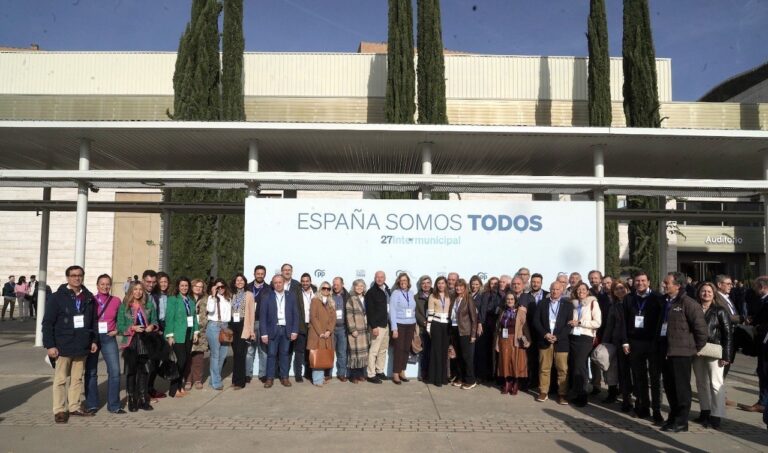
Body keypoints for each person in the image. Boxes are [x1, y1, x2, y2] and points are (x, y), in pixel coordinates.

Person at [43, 265, 98, 423]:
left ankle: (74, 406)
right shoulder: (57, 297)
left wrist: (93, 340)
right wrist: (50, 345)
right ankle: (59, 410)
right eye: (73, 275)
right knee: (60, 380)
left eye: (79, 275)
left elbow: (93, 321)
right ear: (67, 278)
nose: (77, 278)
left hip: (81, 345)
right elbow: (47, 323)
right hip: (62, 345)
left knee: (76, 379)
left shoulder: (88, 297)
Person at [658, 272, 708, 433]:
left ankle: (681, 421)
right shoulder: (666, 302)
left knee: (681, 389)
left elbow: (701, 331)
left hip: (682, 353)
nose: (664, 285)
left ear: (677, 285)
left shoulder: (689, 303)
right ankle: (672, 418)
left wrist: (693, 349)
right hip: (666, 351)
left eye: (667, 282)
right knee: (670, 387)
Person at [622, 271, 664, 423]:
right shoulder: (628, 298)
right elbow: (623, 322)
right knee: (639, 377)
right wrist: (625, 341)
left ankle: (657, 410)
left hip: (653, 343)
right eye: (637, 281)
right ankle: (643, 406)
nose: (640, 283)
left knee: (655, 378)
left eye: (643, 280)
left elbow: (662, 321)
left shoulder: (658, 298)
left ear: (648, 282)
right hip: (634, 342)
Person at [692, 282, 732, 429]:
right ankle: (705, 411)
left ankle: (716, 415)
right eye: (703, 291)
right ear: (699, 293)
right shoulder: (694, 309)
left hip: (714, 351)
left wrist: (726, 356)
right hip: (697, 351)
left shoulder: (719, 310)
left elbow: (728, 334)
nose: (706, 294)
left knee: (716, 384)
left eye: (709, 291)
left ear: (714, 293)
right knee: (700, 383)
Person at [84, 274, 124, 414]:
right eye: (102, 284)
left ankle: (114, 405)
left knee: (114, 372)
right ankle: (92, 404)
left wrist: (118, 330)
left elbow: (123, 318)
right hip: (93, 338)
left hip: (108, 337)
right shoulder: (91, 300)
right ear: (97, 285)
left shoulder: (116, 301)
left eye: (108, 284)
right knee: (91, 371)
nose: (105, 286)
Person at [117, 281, 158, 412]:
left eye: (140, 289)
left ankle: (142, 399)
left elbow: (155, 321)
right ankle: (131, 399)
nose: (138, 292)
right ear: (131, 291)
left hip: (145, 341)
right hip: (131, 341)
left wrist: (152, 326)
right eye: (135, 289)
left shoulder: (149, 305)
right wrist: (132, 327)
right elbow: (120, 326)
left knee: (144, 371)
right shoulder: (125, 306)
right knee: (131, 372)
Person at [533, 282, 571, 404]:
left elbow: (569, 325)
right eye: (552, 289)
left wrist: (558, 337)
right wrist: (545, 334)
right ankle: (543, 392)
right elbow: (536, 321)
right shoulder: (542, 303)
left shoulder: (568, 305)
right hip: (545, 340)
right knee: (544, 368)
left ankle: (562, 394)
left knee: (562, 369)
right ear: (550, 290)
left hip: (561, 342)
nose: (554, 291)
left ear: (562, 290)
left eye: (557, 289)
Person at [260, 274, 299, 388]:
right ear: (273, 284)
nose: (278, 284)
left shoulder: (291, 296)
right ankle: (270, 378)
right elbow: (263, 317)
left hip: (286, 329)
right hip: (273, 329)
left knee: (284, 355)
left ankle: (284, 377)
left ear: (284, 283)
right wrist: (264, 334)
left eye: (280, 282)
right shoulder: (267, 296)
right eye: (275, 282)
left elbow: (295, 315)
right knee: (271, 354)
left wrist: (294, 331)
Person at [164, 276, 200, 397]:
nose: (184, 288)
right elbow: (169, 318)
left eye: (186, 285)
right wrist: (170, 335)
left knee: (185, 362)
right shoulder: (173, 299)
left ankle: (180, 386)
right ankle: (174, 389)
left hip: (188, 334)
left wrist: (196, 331)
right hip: (177, 335)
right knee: (180, 361)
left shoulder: (190, 300)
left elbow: (194, 317)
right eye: (182, 285)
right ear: (178, 287)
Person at [567, 282, 601, 407]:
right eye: (578, 290)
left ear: (587, 291)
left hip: (585, 337)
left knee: (580, 366)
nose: (580, 291)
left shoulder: (593, 303)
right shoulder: (575, 304)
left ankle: (583, 395)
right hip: (573, 337)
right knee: (575, 366)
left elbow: (597, 322)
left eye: (583, 289)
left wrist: (580, 322)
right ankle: (576, 392)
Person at [739, 275, 768, 413]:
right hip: (762, 343)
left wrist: (756, 327)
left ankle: (763, 403)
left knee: (764, 372)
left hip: (766, 343)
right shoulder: (762, 300)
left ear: (762, 287)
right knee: (762, 371)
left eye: (756, 286)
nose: (754, 289)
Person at [599, 281, 630, 408]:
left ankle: (628, 396)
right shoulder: (614, 305)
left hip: (631, 342)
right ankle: (616, 395)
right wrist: (605, 343)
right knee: (616, 370)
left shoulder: (633, 303)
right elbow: (609, 326)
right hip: (616, 341)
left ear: (627, 289)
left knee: (629, 372)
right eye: (616, 289)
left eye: (621, 288)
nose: (619, 291)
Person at [495, 292, 530, 395]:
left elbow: (525, 327)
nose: (510, 301)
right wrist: (497, 343)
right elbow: (498, 328)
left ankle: (515, 383)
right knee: (505, 362)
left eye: (512, 299)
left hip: (516, 340)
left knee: (515, 362)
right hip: (504, 340)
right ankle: (507, 383)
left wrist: (528, 340)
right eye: (508, 299)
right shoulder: (502, 311)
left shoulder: (520, 312)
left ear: (515, 301)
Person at [449, 279, 478, 389]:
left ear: (465, 288)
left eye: (461, 286)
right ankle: (460, 378)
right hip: (455, 330)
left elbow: (474, 318)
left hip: (465, 331)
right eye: (457, 286)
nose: (458, 288)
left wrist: (473, 334)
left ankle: (471, 380)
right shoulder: (454, 299)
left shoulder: (468, 299)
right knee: (458, 356)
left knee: (467, 357)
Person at [229, 273, 256, 389]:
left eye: (241, 280)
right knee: (236, 354)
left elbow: (252, 314)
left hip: (243, 325)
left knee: (241, 353)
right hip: (232, 325)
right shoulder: (231, 294)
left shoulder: (249, 295)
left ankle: (240, 382)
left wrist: (251, 330)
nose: (239, 282)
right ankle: (235, 379)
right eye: (237, 280)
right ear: (234, 283)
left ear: (245, 282)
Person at [587, 270, 611, 396]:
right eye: (591, 278)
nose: (593, 280)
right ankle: (596, 384)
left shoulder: (607, 293)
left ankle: (611, 385)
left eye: (595, 278)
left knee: (607, 358)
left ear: (600, 279)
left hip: (606, 330)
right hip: (593, 330)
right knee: (594, 358)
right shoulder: (588, 293)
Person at [390, 273, 416, 385]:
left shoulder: (411, 293)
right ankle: (395, 373)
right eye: (401, 280)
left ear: (408, 282)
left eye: (405, 280)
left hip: (410, 324)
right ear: (398, 282)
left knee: (406, 349)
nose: (403, 282)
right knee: (398, 350)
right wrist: (394, 328)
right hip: (400, 325)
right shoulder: (395, 293)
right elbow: (392, 311)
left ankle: (402, 371)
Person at [206, 278, 232, 391]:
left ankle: (213, 379)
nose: (220, 289)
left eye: (222, 286)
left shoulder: (228, 298)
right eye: (218, 287)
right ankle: (216, 381)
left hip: (225, 327)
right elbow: (210, 310)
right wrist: (213, 294)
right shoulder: (212, 298)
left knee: (223, 355)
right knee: (215, 355)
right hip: (214, 326)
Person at [308, 281, 335, 386]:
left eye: (328, 289)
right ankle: (317, 380)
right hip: (316, 333)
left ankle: (321, 377)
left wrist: (329, 330)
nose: (326, 290)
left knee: (323, 356)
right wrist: (320, 332)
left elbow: (333, 319)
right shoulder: (315, 300)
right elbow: (313, 317)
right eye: (324, 288)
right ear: (320, 289)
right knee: (317, 355)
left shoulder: (331, 302)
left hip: (327, 334)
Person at [246, 265, 269, 383]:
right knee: (250, 350)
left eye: (262, 274)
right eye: (258, 273)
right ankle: (247, 374)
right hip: (249, 322)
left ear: (264, 275)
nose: (260, 275)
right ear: (254, 274)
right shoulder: (247, 287)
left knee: (263, 350)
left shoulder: (269, 288)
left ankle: (263, 374)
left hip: (263, 322)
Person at [366, 271, 390, 383]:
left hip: (386, 325)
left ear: (385, 278)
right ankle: (371, 374)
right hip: (377, 326)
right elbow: (370, 311)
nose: (379, 279)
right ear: (375, 278)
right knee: (374, 350)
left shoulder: (387, 291)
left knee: (383, 350)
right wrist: (374, 326)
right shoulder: (371, 293)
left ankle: (379, 370)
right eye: (377, 277)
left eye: (381, 277)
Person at [427, 276, 451, 387]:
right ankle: (435, 378)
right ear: (436, 285)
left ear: (446, 284)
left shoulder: (449, 295)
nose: (441, 285)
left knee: (444, 351)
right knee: (436, 351)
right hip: (436, 325)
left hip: (446, 325)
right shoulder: (432, 296)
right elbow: (430, 313)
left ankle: (443, 377)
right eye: (439, 283)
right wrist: (428, 328)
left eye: (442, 283)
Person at [186, 279, 208, 390]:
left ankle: (198, 379)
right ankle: (188, 380)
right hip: (188, 331)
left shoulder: (206, 299)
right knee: (188, 357)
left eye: (200, 286)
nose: (198, 288)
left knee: (198, 358)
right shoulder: (187, 298)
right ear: (192, 287)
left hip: (201, 332)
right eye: (196, 286)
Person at [346, 279, 370, 383]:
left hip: (364, 330)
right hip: (356, 330)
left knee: (363, 354)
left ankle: (361, 374)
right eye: (357, 286)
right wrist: (352, 329)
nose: (359, 288)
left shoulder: (366, 298)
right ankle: (353, 376)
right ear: (354, 287)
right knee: (354, 354)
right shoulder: (351, 299)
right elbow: (349, 315)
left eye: (361, 286)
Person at [294, 273, 315, 382]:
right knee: (299, 352)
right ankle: (298, 374)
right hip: (301, 326)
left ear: (310, 281)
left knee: (310, 351)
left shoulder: (316, 291)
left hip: (313, 327)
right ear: (301, 282)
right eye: (303, 281)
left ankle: (309, 373)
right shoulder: (296, 292)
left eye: (307, 281)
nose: (305, 283)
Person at [331, 276, 349, 381]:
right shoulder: (329, 295)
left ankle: (342, 373)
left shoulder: (347, 296)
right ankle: (328, 373)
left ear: (342, 285)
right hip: (331, 329)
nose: (335, 286)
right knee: (329, 352)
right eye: (334, 284)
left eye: (338, 284)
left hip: (342, 328)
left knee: (342, 352)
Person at [415, 275, 432, 381]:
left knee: (434, 352)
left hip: (436, 327)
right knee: (425, 352)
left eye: (428, 283)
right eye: (423, 283)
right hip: (423, 328)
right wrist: (424, 322)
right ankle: (424, 373)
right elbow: (415, 312)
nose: (426, 285)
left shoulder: (436, 294)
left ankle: (433, 373)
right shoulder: (416, 297)